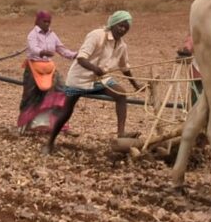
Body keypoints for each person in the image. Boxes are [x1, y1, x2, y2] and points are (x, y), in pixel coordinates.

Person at [44, 10, 141, 155]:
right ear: (113, 24)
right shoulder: (96, 35)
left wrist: (136, 84)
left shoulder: (122, 46)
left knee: (121, 94)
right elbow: (81, 58)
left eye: (126, 28)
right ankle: (50, 142)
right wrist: (96, 69)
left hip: (100, 81)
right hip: (79, 80)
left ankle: (121, 134)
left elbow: (125, 68)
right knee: (66, 111)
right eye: (120, 26)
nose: (122, 30)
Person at [18, 10, 77, 133]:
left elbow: (61, 49)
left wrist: (74, 55)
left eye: (48, 22)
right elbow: (33, 48)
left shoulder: (52, 35)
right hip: (34, 66)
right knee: (32, 96)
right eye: (44, 21)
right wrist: (43, 52)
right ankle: (26, 125)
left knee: (60, 90)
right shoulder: (32, 34)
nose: (46, 24)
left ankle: (57, 124)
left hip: (49, 68)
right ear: (38, 21)